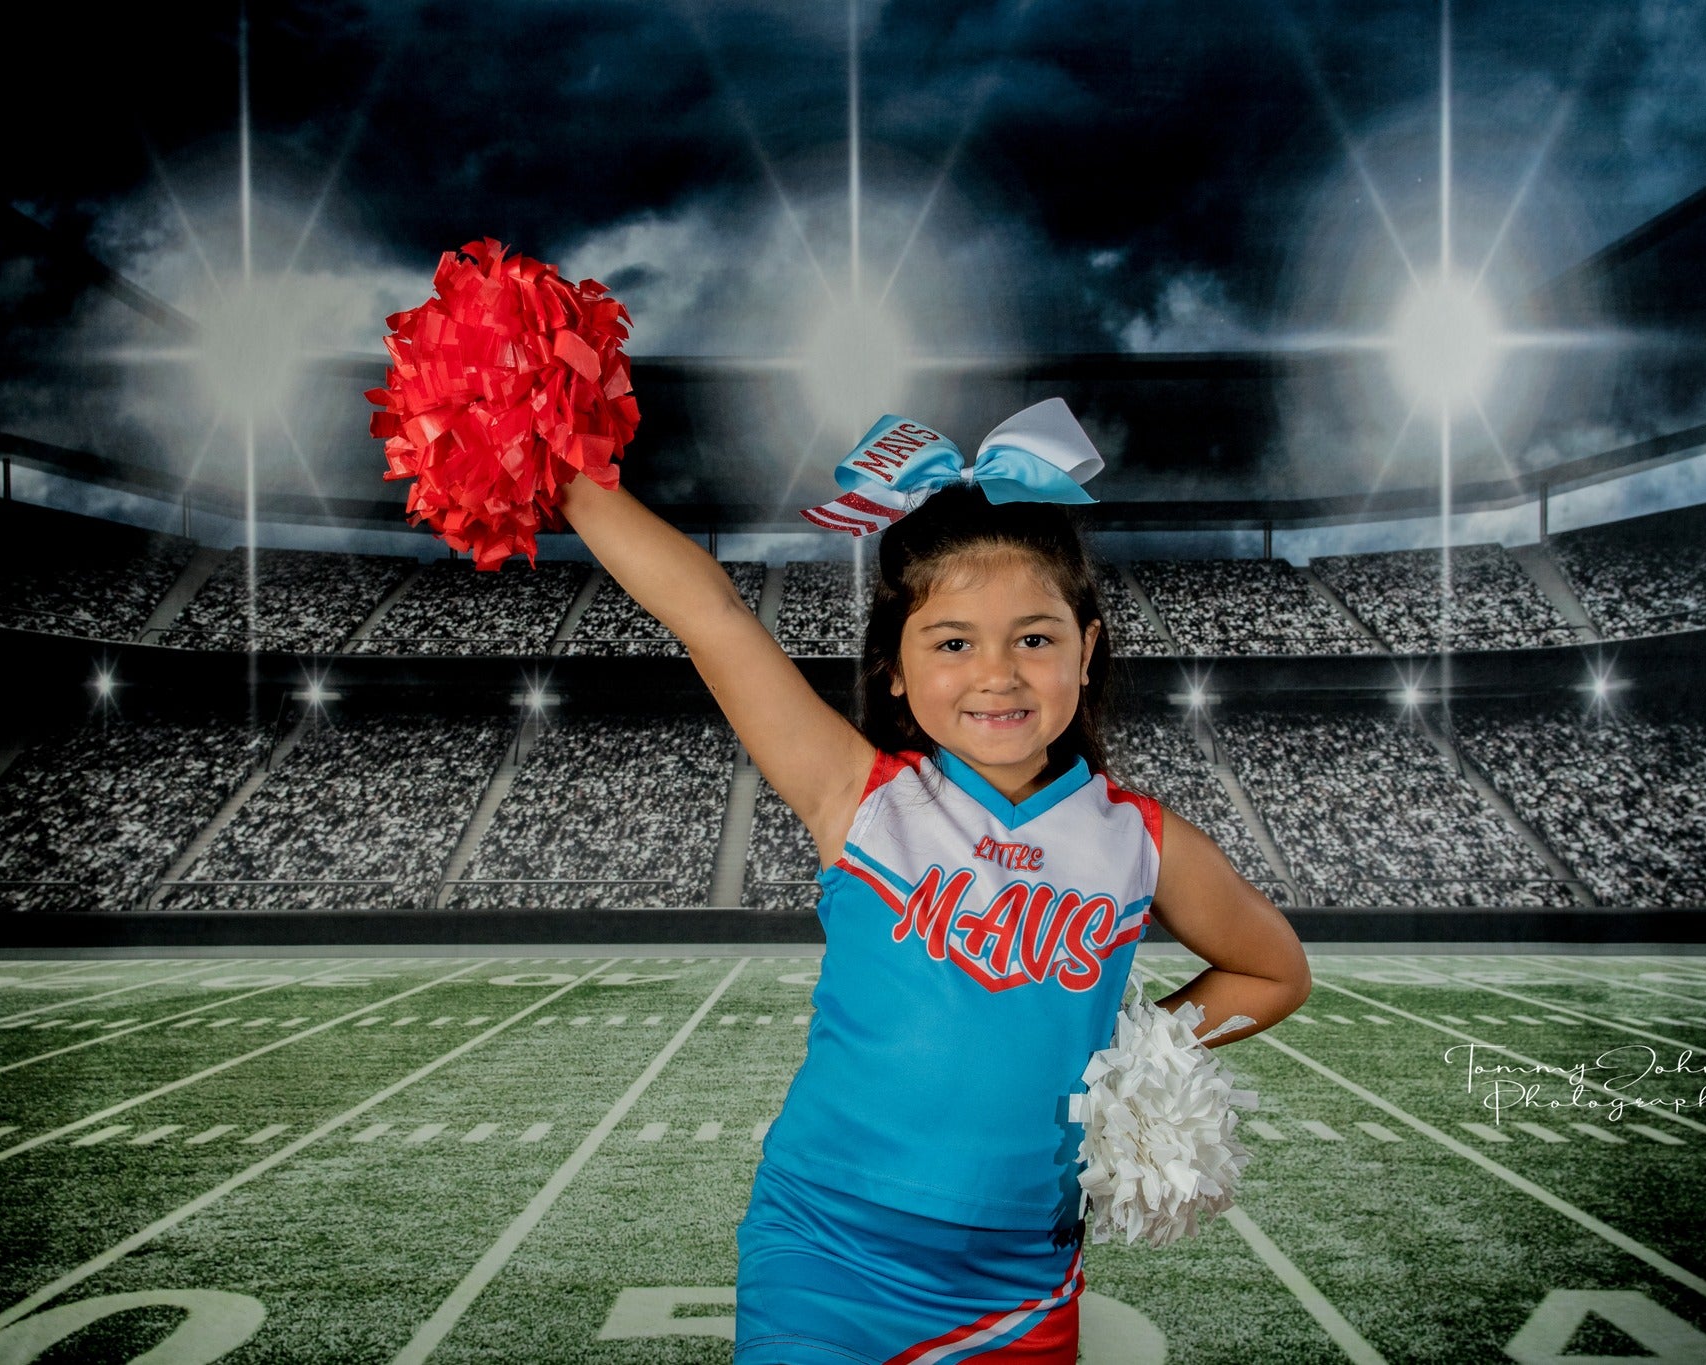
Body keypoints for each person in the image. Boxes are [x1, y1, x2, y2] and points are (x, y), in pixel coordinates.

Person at [557, 400, 1311, 1363]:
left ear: (1088, 647)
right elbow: (711, 614)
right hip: (824, 1244)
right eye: (952, 642)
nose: (996, 673)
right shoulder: (860, 796)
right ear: (899, 672)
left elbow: (1274, 971)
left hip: (1018, 1280)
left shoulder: (1139, 840)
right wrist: (560, 471)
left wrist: (1141, 1054)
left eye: (1034, 638)